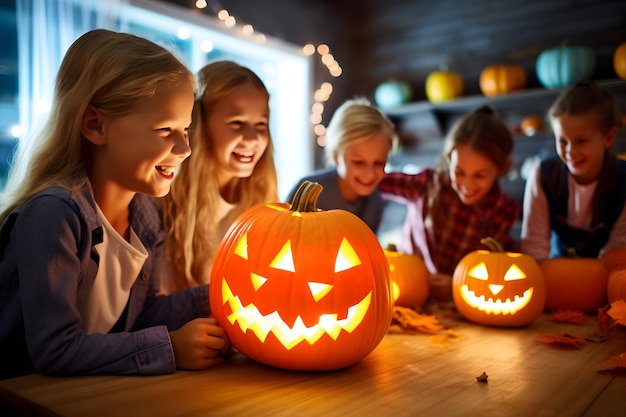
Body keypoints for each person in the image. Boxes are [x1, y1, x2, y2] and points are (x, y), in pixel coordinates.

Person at [0, 29, 229, 380]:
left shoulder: (145, 216)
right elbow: (54, 349)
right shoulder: (54, 215)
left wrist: (228, 294)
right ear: (96, 126)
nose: (185, 149)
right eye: (166, 130)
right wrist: (170, 349)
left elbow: (141, 314)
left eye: (185, 130)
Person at [379, 105, 520, 301]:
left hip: (463, 304)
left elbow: (498, 270)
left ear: (501, 169)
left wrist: (458, 283)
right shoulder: (426, 184)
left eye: (480, 175)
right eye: (459, 172)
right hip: (407, 292)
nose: (467, 185)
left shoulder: (504, 210)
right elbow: (374, 180)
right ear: (449, 160)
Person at [160, 61, 278, 291]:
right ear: (201, 126)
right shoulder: (166, 198)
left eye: (261, 125)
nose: (253, 138)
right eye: (237, 123)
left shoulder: (259, 200)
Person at [520, 81, 626, 260]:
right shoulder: (543, 175)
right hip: (555, 267)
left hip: (604, 274)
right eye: (562, 141)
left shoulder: (623, 181)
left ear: (608, 137)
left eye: (581, 141)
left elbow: (618, 248)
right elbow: (534, 244)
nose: (570, 152)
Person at [286, 97, 397, 233]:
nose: (370, 174)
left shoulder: (375, 202)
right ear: (335, 156)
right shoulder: (307, 191)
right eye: (359, 162)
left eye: (379, 163)